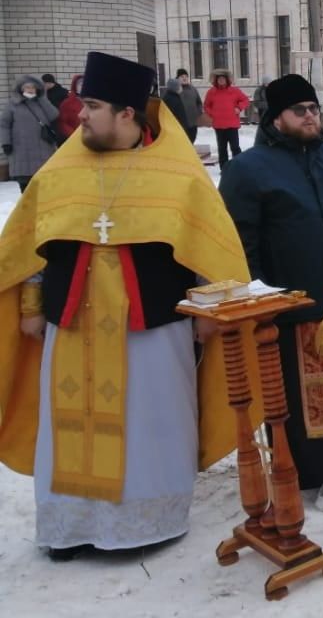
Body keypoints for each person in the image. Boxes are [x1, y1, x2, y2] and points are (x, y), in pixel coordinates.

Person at [0, 51, 253, 560]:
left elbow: (212, 249)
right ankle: (69, 528)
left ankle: (146, 523)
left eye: (92, 105)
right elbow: (32, 251)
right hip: (71, 326)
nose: (81, 114)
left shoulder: (177, 175)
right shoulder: (60, 171)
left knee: (151, 424)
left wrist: (210, 313)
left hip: (153, 329)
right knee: (66, 423)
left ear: (126, 114)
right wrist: (30, 303)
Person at [219, 74, 323, 492]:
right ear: (276, 118)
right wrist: (263, 300)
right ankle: (315, 479)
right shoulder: (247, 170)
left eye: (314, 109)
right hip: (293, 313)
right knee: (308, 408)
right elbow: (241, 245)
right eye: (299, 110)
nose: (310, 116)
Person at [1, 75, 61, 192]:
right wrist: (6, 143)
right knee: (26, 187)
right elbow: (4, 125)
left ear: (37, 89)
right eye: (27, 87)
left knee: (43, 186)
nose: (30, 90)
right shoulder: (13, 104)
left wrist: (42, 99)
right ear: (21, 89)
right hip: (21, 150)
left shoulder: (41, 103)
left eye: (33, 87)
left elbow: (54, 115)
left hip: (42, 149)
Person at [204, 70, 251, 166]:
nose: (221, 80)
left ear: (227, 80)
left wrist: (239, 108)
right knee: (222, 148)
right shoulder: (211, 92)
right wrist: (212, 113)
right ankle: (224, 167)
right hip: (219, 125)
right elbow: (206, 106)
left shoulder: (234, 91)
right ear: (216, 80)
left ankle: (239, 166)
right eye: (219, 79)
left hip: (232, 124)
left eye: (223, 78)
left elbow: (245, 100)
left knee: (235, 147)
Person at [173, 68, 202, 142]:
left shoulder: (192, 89)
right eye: (182, 76)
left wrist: (197, 112)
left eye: (186, 76)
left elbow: (199, 102)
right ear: (177, 78)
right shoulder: (174, 90)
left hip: (192, 123)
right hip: (179, 123)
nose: (184, 78)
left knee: (191, 141)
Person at [56, 74, 84, 140]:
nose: (83, 86)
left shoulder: (94, 102)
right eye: (81, 84)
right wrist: (74, 135)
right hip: (74, 139)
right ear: (75, 86)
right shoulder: (67, 103)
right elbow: (62, 122)